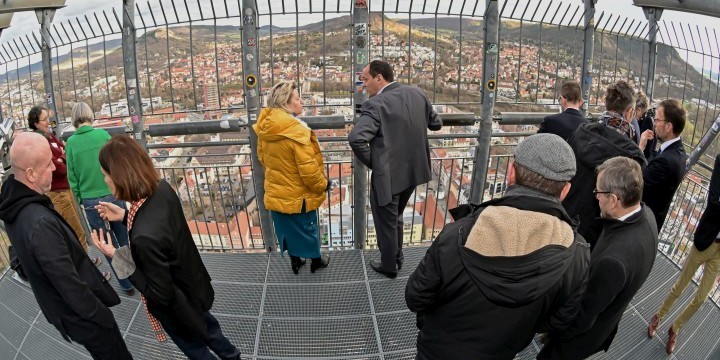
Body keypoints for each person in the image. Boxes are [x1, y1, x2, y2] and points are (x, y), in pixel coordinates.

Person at [405, 133, 590, 360]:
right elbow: (558, 320)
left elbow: (416, 297)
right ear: (564, 191)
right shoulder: (577, 253)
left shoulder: (458, 235)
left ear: (511, 173)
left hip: (437, 349)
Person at [91, 136, 241, 360]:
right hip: (193, 288)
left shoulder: (143, 236)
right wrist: (125, 216)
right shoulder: (162, 190)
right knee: (212, 332)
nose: (105, 182)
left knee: (197, 351)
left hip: (178, 312)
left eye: (106, 175)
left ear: (119, 177)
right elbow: (162, 234)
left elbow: (159, 294)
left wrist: (116, 256)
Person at [0, 132, 132, 360]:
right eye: (47, 163)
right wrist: (101, 317)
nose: (54, 166)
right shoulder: (39, 223)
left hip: (62, 311)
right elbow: (68, 282)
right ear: (30, 174)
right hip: (83, 318)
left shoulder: (14, 204)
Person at [538, 157, 659, 359]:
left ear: (613, 200)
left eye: (598, 192)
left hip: (574, 343)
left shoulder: (613, 262)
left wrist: (553, 333)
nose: (596, 197)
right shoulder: (647, 216)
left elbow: (583, 317)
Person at [349, 59, 442, 278]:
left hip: (388, 176)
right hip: (415, 171)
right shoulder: (417, 93)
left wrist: (376, 164)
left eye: (365, 79)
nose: (363, 85)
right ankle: (398, 257)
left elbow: (356, 138)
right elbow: (436, 123)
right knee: (395, 216)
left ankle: (389, 266)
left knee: (385, 222)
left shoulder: (375, 104)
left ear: (379, 78)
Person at [253, 80, 329, 274]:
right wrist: (323, 185)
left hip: (277, 191)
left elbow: (262, 158)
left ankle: (295, 262)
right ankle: (316, 262)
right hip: (299, 196)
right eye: (297, 98)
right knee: (308, 229)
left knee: (286, 230)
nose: (301, 101)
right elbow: (309, 171)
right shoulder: (296, 132)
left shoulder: (265, 129)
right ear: (285, 103)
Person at [647, 153, 720, 355]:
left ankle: (675, 328)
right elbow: (714, 200)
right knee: (681, 285)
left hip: (719, 252)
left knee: (702, 298)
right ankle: (659, 315)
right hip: (706, 240)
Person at [562, 80, 646, 249]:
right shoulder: (632, 158)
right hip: (594, 235)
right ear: (630, 112)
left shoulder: (580, 133)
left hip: (563, 215)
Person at [66, 102, 135, 295]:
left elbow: (72, 178)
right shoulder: (103, 135)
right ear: (90, 115)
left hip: (90, 201)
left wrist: (82, 198)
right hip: (112, 194)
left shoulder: (70, 143)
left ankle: (126, 284)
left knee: (106, 243)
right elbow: (115, 164)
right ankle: (136, 275)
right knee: (123, 238)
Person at [27, 105, 102, 268]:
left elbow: (65, 153)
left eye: (48, 118)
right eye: (45, 119)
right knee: (73, 229)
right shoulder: (40, 143)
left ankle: (87, 263)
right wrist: (62, 158)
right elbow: (58, 168)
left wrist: (62, 157)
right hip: (58, 192)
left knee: (78, 228)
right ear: (35, 123)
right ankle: (87, 269)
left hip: (65, 190)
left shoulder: (50, 137)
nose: (49, 122)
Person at [639, 98, 687, 231]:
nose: (654, 123)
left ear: (668, 127)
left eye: (658, 120)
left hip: (642, 224)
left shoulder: (666, 161)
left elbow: (636, 179)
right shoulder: (678, 151)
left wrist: (640, 148)